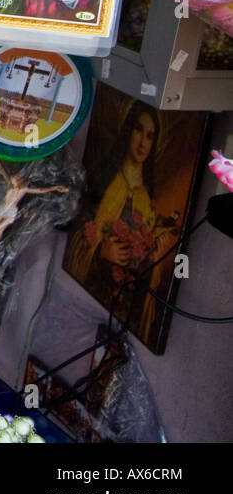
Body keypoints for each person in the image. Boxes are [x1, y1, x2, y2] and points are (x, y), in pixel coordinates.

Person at [66, 102, 171, 336]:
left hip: (121, 309)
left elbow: (147, 271)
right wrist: (100, 254)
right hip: (91, 292)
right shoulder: (106, 180)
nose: (143, 142)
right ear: (127, 131)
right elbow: (75, 240)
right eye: (138, 130)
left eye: (150, 136)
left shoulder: (147, 199)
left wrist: (153, 260)